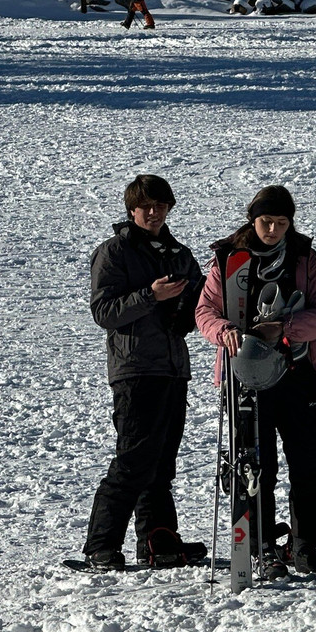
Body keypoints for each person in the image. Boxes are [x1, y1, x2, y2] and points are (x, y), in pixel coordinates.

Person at [195, 185, 316, 576]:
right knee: (254, 464)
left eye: (281, 222)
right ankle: (260, 546)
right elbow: (205, 310)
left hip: (299, 372)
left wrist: (287, 328)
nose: (274, 229)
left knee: (308, 462)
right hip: (245, 376)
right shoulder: (228, 258)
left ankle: (306, 543)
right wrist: (224, 330)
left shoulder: (304, 257)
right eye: (266, 221)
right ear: (253, 220)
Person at [85, 174, 206, 570]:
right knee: (133, 461)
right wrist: (150, 296)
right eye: (146, 206)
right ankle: (101, 546)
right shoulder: (114, 252)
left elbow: (202, 304)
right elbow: (104, 312)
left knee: (162, 463)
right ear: (131, 210)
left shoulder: (179, 253)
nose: (154, 213)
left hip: (173, 368)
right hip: (135, 368)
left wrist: (189, 308)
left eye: (161, 205)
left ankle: (159, 541)